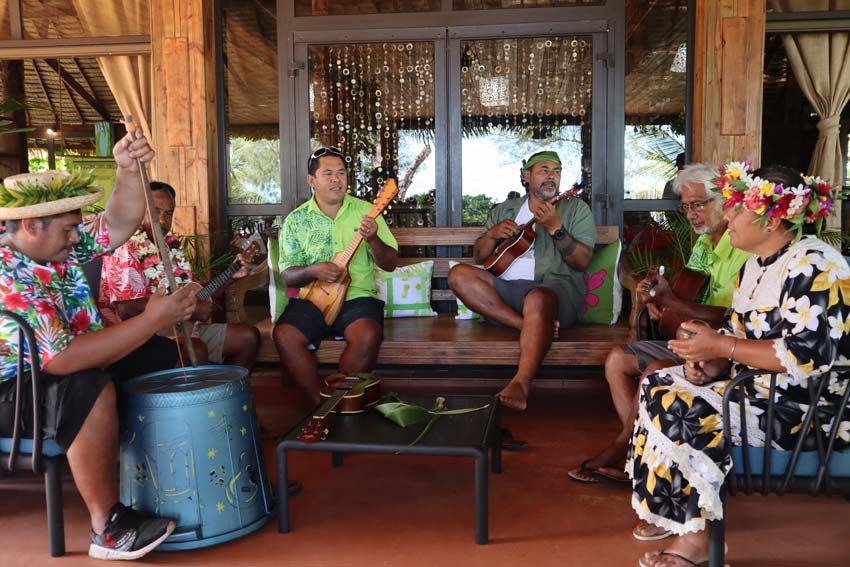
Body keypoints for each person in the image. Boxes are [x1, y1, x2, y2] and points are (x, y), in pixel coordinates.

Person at [628, 163, 850, 567]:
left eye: (736, 207)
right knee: (658, 381)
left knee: (684, 408)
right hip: (755, 390)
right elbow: (737, 338)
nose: (726, 215)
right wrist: (707, 363)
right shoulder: (754, 266)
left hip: (808, 409)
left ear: (772, 218)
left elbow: (808, 356)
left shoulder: (817, 265)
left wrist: (722, 347)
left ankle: (698, 544)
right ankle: (685, 523)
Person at [0, 132, 199, 560]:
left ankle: (167, 475)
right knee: (88, 387)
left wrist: (127, 169)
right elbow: (64, 360)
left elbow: (118, 223)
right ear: (32, 225)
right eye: (70, 229)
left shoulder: (54, 247)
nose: (78, 239)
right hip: (13, 392)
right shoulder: (8, 275)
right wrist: (152, 319)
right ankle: (107, 527)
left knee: (160, 357)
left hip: (58, 365)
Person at [567, 164, 751, 504]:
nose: (692, 213)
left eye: (699, 203)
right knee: (617, 361)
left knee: (655, 372)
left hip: (722, 351)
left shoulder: (744, 248)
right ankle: (641, 444)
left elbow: (735, 317)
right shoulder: (702, 246)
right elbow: (686, 297)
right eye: (686, 207)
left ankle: (626, 448)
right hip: (687, 339)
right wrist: (657, 301)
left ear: (727, 201)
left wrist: (674, 302)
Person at [448, 150, 596, 411]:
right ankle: (528, 326)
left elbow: (582, 262)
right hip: (505, 296)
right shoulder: (504, 210)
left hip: (554, 292)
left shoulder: (575, 208)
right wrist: (492, 234)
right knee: (458, 274)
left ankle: (521, 382)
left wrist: (555, 229)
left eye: (557, 171)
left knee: (538, 297)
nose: (552, 176)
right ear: (526, 176)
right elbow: (480, 257)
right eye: (544, 170)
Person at [272, 146, 399, 405]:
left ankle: (342, 399)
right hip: (312, 299)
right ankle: (320, 404)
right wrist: (313, 270)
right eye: (327, 173)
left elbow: (390, 263)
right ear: (312, 181)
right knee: (285, 335)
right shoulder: (296, 221)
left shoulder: (367, 212)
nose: (336, 179)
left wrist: (373, 239)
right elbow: (288, 275)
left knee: (367, 335)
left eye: (341, 173)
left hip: (356, 298)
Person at [99, 180, 260, 371]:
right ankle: (197, 399)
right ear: (139, 209)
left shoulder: (169, 245)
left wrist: (232, 274)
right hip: (136, 338)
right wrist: (190, 310)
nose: (163, 220)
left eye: (168, 213)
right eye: (155, 211)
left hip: (178, 328)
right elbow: (126, 309)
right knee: (196, 350)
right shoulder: (125, 246)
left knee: (248, 338)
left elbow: (197, 293)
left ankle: (223, 396)